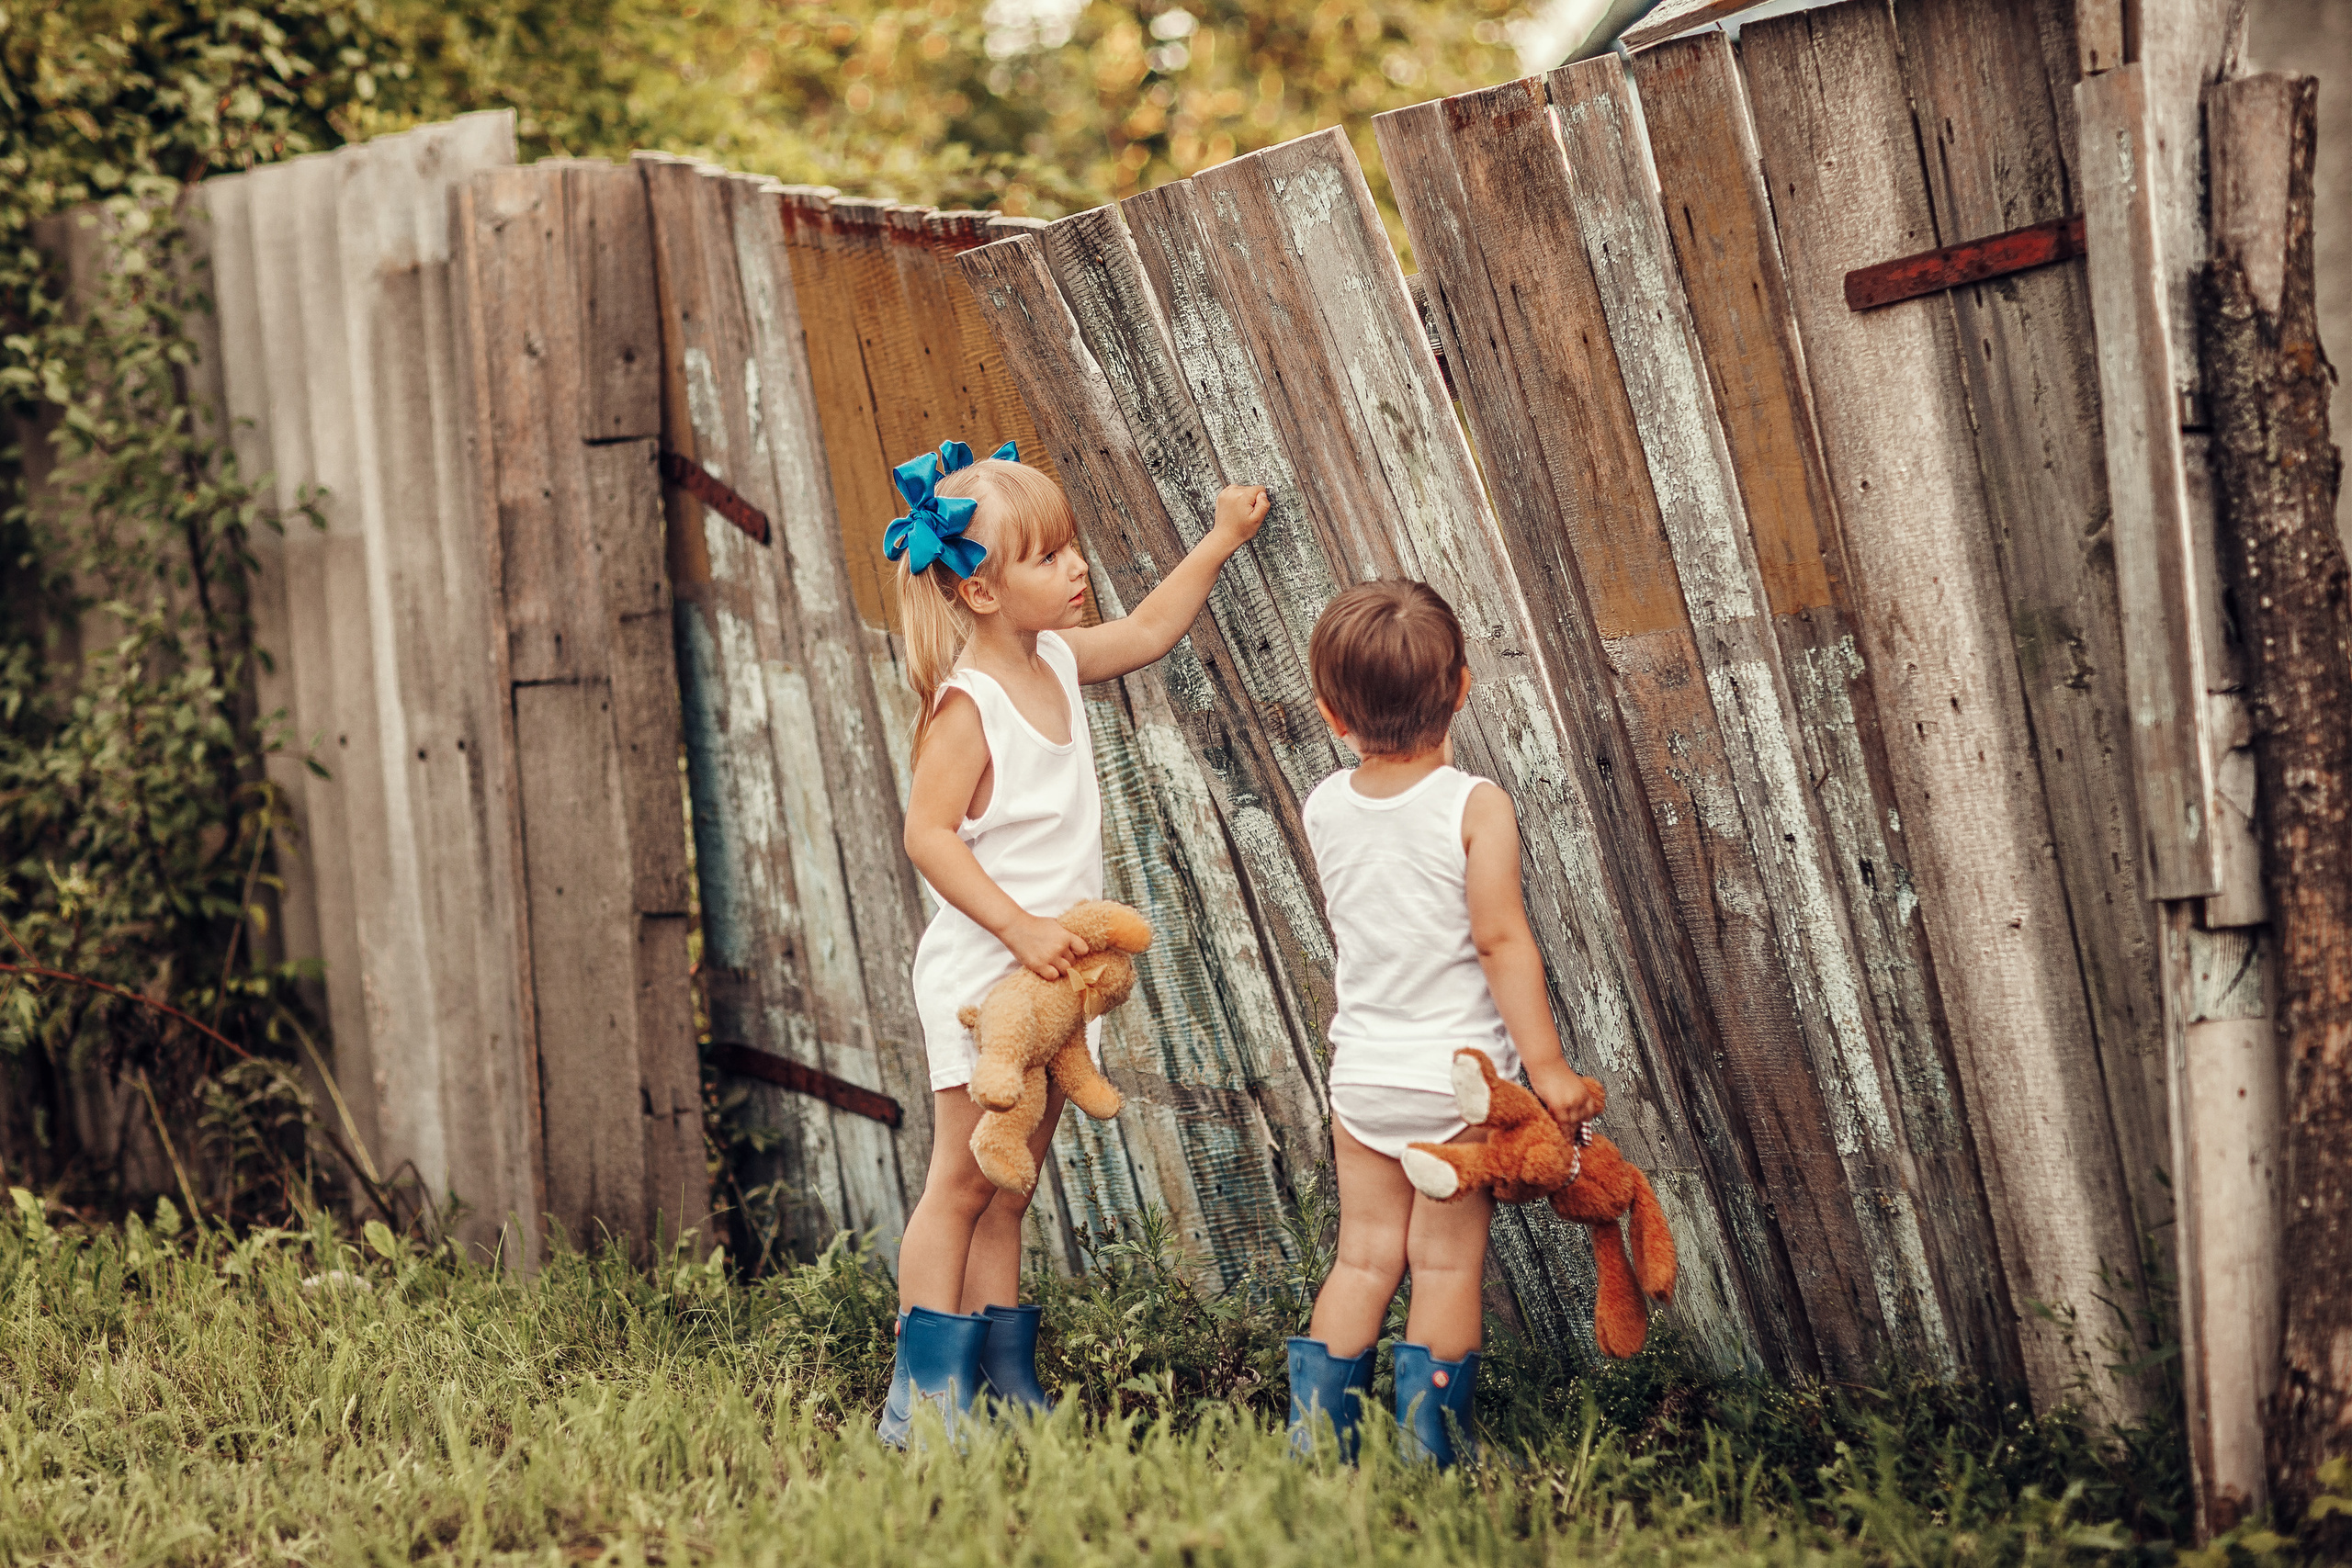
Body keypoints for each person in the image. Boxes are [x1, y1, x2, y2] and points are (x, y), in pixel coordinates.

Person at [878, 438, 1270, 1446]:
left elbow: (1145, 629)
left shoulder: (1052, 654)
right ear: (977, 593)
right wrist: (1015, 925)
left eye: (1069, 547)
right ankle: (923, 1400)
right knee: (961, 1181)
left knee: (1011, 1183)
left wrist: (1219, 541)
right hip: (983, 983)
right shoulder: (968, 708)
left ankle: (1001, 1381)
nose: (1074, 567)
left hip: (1052, 984)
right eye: (1047, 557)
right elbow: (926, 835)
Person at [1290, 580, 1595, 1467]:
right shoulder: (1475, 805)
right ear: (1462, 687)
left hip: (1364, 1077)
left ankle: (1317, 1447)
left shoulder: (1324, 804)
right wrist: (1546, 1070)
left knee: (1363, 1259)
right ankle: (1433, 1451)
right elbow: (1501, 940)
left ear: (1330, 713)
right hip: (1454, 1087)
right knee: (1448, 1266)